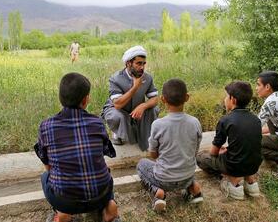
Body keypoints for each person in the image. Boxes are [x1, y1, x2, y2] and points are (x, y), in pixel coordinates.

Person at [34, 72, 125, 222]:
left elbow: (47, 164)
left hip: (65, 201)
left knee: (46, 175)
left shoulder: (46, 126)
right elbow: (104, 154)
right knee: (104, 171)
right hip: (101, 194)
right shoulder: (97, 123)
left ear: (60, 98)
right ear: (85, 100)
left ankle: (63, 220)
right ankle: (109, 213)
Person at [136, 79, 203, 213]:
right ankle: (193, 188)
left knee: (141, 164)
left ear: (162, 99)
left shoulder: (158, 124)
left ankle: (159, 192)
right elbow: (194, 151)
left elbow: (153, 155)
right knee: (185, 164)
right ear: (187, 98)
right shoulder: (195, 122)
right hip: (188, 176)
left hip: (163, 180)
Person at [196, 81, 263, 200]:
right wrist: (228, 150)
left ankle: (233, 184)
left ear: (233, 100)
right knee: (239, 157)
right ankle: (251, 185)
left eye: (227, 96)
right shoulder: (256, 120)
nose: (225, 99)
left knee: (201, 157)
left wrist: (220, 153)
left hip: (235, 166)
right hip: (254, 165)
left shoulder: (226, 120)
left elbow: (213, 153)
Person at [101, 45, 159, 151]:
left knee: (154, 109)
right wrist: (135, 87)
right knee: (117, 116)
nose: (142, 67)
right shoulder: (115, 79)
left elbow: (155, 99)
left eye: (143, 63)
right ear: (128, 63)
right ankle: (117, 133)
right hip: (117, 110)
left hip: (136, 110)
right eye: (138, 63)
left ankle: (145, 137)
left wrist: (143, 105)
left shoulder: (147, 78)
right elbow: (118, 104)